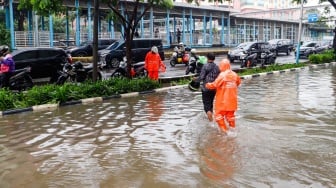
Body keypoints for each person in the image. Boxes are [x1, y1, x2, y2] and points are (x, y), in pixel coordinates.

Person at [206, 59, 241, 133]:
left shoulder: (222, 75)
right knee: (230, 117)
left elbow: (214, 85)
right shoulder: (235, 75)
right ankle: (233, 130)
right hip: (232, 101)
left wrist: (207, 84)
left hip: (222, 102)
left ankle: (226, 132)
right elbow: (238, 83)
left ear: (222, 66)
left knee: (218, 116)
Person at [195, 52, 220, 122]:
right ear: (214, 59)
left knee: (207, 107)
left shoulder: (205, 66)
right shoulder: (217, 67)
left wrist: (195, 79)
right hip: (214, 89)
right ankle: (211, 118)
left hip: (206, 89)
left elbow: (201, 77)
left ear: (207, 58)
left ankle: (211, 123)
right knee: (211, 104)